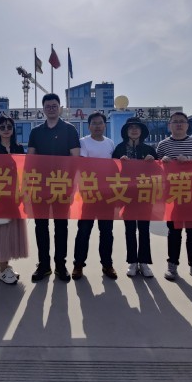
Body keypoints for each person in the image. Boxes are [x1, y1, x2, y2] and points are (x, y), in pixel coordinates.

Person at [27, 93, 81, 283]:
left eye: (54, 106)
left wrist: (73, 185)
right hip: (40, 187)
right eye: (48, 106)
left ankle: (60, 265)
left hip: (62, 185)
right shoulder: (36, 132)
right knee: (40, 227)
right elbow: (30, 159)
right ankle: (44, 265)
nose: (51, 109)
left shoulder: (69, 130)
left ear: (60, 108)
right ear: (43, 109)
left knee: (61, 226)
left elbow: (75, 159)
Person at [155, 112, 192, 284]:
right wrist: (162, 162)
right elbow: (155, 170)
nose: (178, 124)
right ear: (169, 125)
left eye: (182, 122)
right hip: (173, 194)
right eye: (175, 122)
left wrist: (189, 160)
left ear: (187, 125)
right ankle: (172, 266)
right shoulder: (163, 145)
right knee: (174, 232)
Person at [0, 115, 29, 285]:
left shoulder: (19, 148)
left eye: (9, 126)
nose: (6, 129)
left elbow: (24, 171)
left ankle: (6, 266)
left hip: (14, 197)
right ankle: (2, 269)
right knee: (0, 232)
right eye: (2, 127)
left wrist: (23, 192)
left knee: (10, 231)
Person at [73, 112, 117, 280]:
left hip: (107, 194)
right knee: (84, 231)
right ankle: (78, 265)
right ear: (89, 126)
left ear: (105, 125)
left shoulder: (110, 143)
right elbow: (84, 165)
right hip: (90, 193)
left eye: (100, 123)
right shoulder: (84, 142)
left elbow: (114, 167)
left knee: (107, 232)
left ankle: (107, 265)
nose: (97, 126)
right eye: (94, 123)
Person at [112, 117, 157, 278]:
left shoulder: (149, 149)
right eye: (130, 127)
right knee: (130, 229)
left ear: (142, 131)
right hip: (127, 195)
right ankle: (132, 261)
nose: (134, 130)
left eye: (137, 127)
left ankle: (144, 262)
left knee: (144, 229)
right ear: (126, 131)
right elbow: (111, 171)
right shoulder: (119, 149)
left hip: (145, 194)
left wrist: (153, 162)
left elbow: (159, 172)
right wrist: (119, 163)